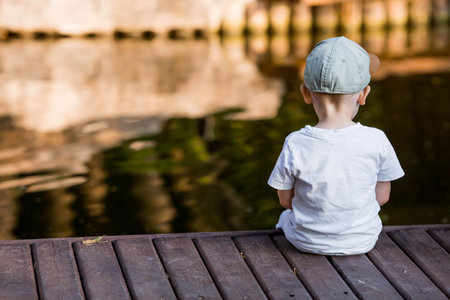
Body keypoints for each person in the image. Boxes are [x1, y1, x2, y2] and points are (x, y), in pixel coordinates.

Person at [267, 36, 404, 255]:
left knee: (285, 217)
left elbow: (285, 201)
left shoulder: (295, 142)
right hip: (363, 241)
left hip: (306, 242)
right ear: (363, 94)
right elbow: (382, 197)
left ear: (305, 93)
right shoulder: (376, 139)